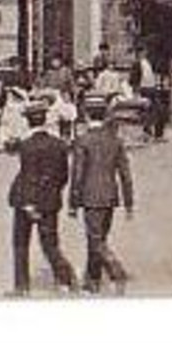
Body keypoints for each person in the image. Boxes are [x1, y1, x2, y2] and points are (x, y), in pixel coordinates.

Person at [8, 101, 77, 295]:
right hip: (51, 201)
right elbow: (63, 176)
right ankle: (67, 280)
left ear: (28, 121)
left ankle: (21, 287)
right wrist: (51, 193)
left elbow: (29, 176)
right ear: (45, 120)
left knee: (21, 244)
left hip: (25, 201)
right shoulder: (59, 144)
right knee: (50, 244)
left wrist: (30, 203)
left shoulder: (27, 146)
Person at [69, 97, 134, 295]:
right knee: (99, 238)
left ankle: (116, 270)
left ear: (87, 115)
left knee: (95, 240)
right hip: (110, 195)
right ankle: (92, 280)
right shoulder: (115, 141)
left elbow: (78, 174)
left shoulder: (83, 141)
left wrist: (73, 202)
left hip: (90, 196)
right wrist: (129, 202)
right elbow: (125, 174)